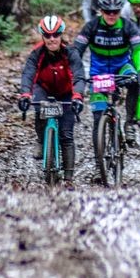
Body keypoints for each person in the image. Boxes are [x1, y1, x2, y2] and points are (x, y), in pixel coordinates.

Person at [71, 0, 140, 151]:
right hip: (98, 73)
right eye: (107, 11)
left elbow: (139, 49)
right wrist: (72, 71)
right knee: (98, 118)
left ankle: (129, 122)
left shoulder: (128, 26)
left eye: (115, 11)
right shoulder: (91, 27)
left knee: (135, 82)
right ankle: (99, 165)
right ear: (101, 11)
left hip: (122, 67)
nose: (111, 15)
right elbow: (76, 51)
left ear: (120, 11)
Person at [17, 15, 85, 185]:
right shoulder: (37, 53)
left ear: (61, 35)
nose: (51, 39)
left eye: (55, 35)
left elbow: (78, 76)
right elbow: (28, 74)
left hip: (66, 92)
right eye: (47, 35)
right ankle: (41, 139)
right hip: (44, 89)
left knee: (66, 135)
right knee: (40, 109)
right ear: (42, 36)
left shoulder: (71, 53)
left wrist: (77, 96)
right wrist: (25, 94)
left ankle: (68, 179)